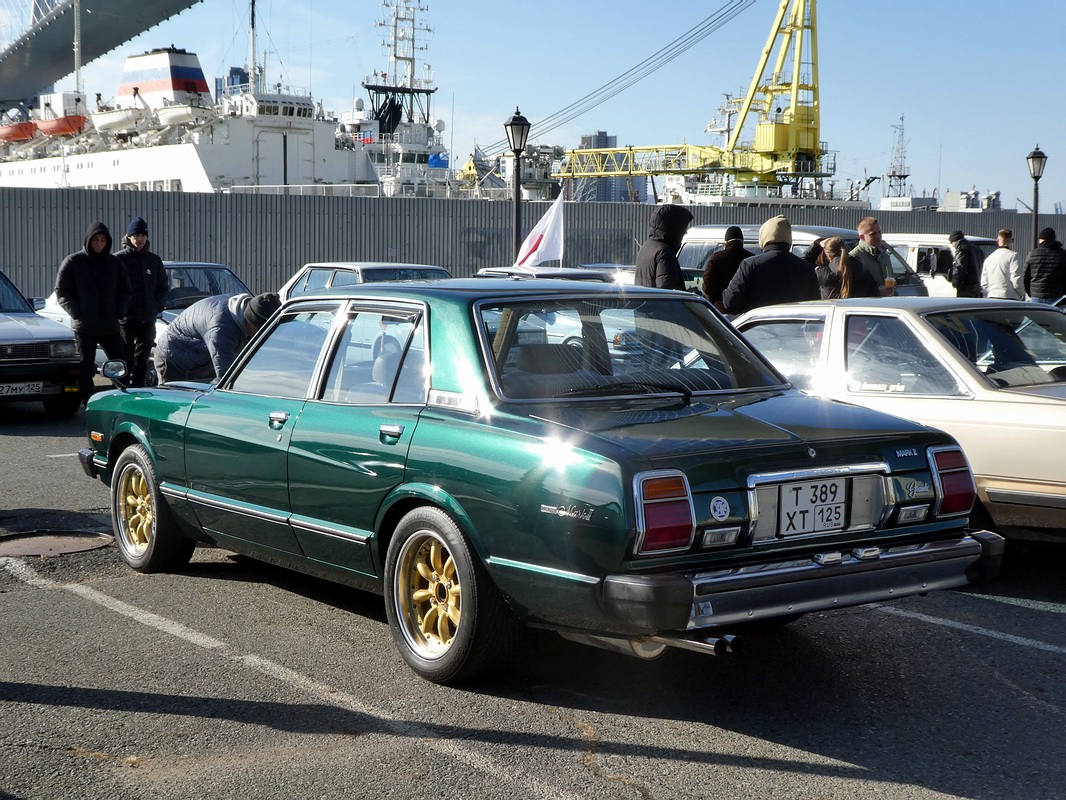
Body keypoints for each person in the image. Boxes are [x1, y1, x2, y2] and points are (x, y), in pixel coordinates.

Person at [54, 221, 131, 406]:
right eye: (95, 239)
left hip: (110, 326)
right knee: (85, 369)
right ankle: (90, 405)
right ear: (89, 240)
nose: (99, 244)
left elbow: (126, 290)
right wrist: (77, 312)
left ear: (108, 242)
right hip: (85, 327)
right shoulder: (73, 261)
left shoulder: (114, 263)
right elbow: (62, 290)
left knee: (121, 366)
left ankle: (120, 404)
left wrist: (120, 311)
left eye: (103, 240)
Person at [154, 291, 281, 383]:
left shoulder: (247, 307)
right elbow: (225, 375)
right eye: (259, 330)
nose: (261, 335)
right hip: (173, 358)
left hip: (201, 357)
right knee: (174, 406)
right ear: (250, 321)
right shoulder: (221, 329)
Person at [722, 215, 819, 315]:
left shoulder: (750, 265)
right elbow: (814, 307)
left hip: (757, 327)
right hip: (793, 328)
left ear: (763, 237)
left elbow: (730, 303)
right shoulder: (806, 269)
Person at [115, 216, 168, 387]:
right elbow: (111, 288)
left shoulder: (154, 260)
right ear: (129, 237)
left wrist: (157, 306)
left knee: (142, 361)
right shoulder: (118, 260)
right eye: (136, 235)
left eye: (143, 235)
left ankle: (138, 391)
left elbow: (162, 286)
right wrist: (119, 310)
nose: (140, 239)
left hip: (147, 319)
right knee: (125, 359)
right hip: (126, 320)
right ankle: (122, 391)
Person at [634, 204, 693, 290]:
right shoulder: (664, 252)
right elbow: (667, 290)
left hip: (646, 301)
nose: (685, 232)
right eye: (683, 227)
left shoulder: (646, 247)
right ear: (674, 227)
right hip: (659, 302)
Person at [701, 225, 752, 310]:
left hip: (721, 310)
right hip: (745, 311)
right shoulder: (751, 259)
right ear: (742, 241)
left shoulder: (716, 258)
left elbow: (708, 285)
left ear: (726, 241)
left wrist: (715, 301)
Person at [815, 237, 880, 299]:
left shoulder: (823, 274)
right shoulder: (864, 272)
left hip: (832, 310)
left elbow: (807, 259)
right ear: (845, 250)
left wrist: (817, 245)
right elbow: (874, 297)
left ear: (829, 256)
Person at [849, 217, 894, 296]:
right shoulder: (854, 257)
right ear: (862, 237)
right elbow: (850, 291)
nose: (878, 236)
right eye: (873, 234)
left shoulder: (884, 255)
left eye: (879, 232)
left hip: (887, 305)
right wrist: (877, 293)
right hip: (867, 306)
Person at [1023, 227, 1066, 305]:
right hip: (1056, 296)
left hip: (1036, 296)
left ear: (1041, 239)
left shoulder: (1033, 254)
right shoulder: (1063, 254)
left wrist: (1031, 293)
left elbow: (1025, 276)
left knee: (1036, 317)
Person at [980, 229, 1025, 300]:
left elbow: (984, 283)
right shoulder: (1014, 256)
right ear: (1012, 240)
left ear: (997, 241)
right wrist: (1022, 293)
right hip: (1010, 297)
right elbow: (1016, 280)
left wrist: (988, 293)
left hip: (992, 297)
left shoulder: (989, 259)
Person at [947, 230, 982, 298]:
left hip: (966, 286)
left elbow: (960, 267)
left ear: (954, 241)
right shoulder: (976, 249)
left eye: (951, 242)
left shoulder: (961, 249)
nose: (952, 245)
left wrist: (956, 283)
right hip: (976, 284)